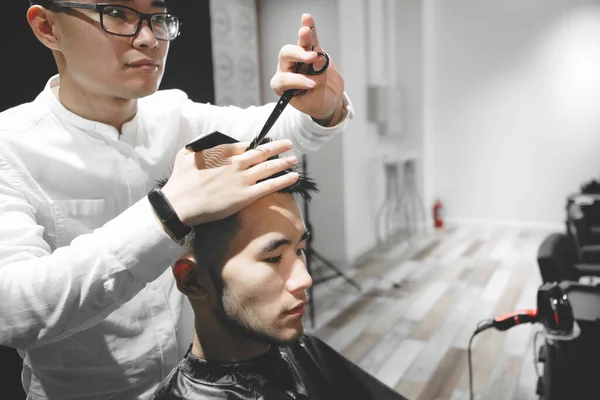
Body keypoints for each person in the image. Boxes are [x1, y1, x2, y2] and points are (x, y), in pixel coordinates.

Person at [0, 0, 354, 398]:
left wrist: (322, 106)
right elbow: (13, 313)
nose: (150, 38)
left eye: (159, 18)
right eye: (117, 14)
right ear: (47, 26)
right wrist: (166, 214)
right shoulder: (10, 148)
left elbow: (282, 128)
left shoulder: (177, 114)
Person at [151, 161, 408, 400]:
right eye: (273, 258)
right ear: (192, 280)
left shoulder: (303, 350)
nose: (305, 279)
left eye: (300, 250)